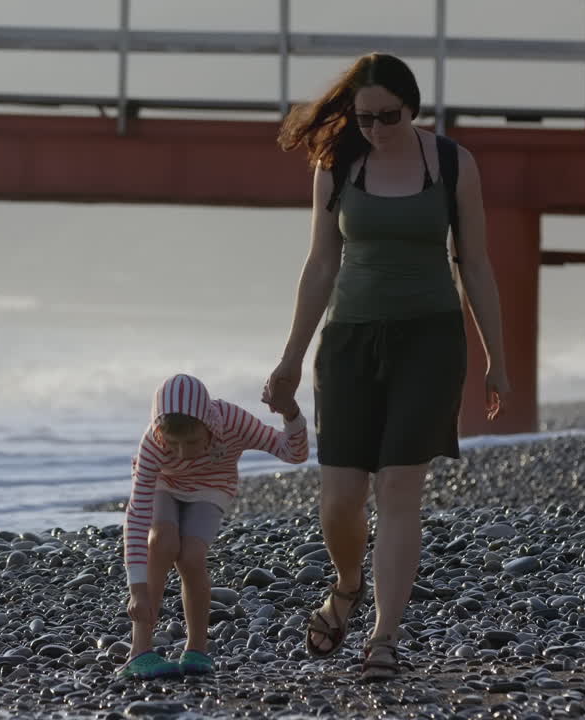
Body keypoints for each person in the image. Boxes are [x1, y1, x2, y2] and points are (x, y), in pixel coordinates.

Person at [263, 53, 509, 681]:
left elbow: (474, 263)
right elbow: (321, 264)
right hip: (348, 343)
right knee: (340, 499)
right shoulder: (338, 163)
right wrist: (290, 359)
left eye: (386, 116)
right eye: (362, 115)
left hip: (430, 342)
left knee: (400, 488)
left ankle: (384, 637)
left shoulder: (451, 163)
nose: (372, 127)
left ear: (412, 107)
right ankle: (347, 584)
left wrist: (496, 360)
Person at [119, 373, 309, 679]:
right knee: (162, 543)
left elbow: (294, 453)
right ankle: (138, 652)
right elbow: (137, 516)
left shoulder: (233, 421)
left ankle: (197, 649)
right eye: (173, 444)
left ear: (209, 425)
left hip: (211, 487)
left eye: (192, 442)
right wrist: (136, 589)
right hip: (163, 485)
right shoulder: (152, 445)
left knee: (191, 556)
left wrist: (291, 413)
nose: (183, 453)